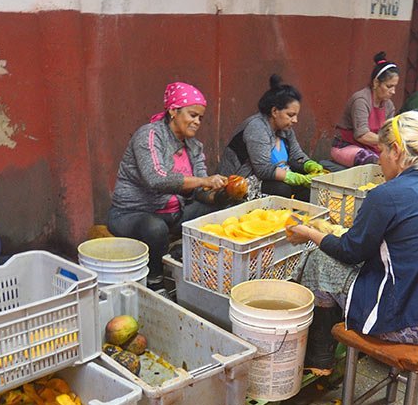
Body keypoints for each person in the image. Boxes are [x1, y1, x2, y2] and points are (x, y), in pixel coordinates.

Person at [286, 111, 418, 366]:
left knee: (319, 260)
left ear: (396, 151)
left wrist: (309, 233)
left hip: (413, 326)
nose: (380, 160)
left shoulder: (387, 195)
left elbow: (350, 252)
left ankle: (320, 357)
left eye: (382, 152)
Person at [108, 81, 232, 286]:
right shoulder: (149, 135)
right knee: (155, 229)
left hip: (174, 214)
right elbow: (156, 179)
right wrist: (204, 180)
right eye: (192, 115)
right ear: (173, 111)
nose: (197, 122)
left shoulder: (194, 146)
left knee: (221, 209)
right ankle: (155, 279)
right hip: (131, 214)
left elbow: (200, 191)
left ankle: (196, 268)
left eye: (200, 117)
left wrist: (222, 193)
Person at [219, 74, 324, 201]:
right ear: (274, 111)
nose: (295, 120)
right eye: (290, 115)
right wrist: (297, 178)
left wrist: (309, 165)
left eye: (296, 115)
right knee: (282, 189)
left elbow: (296, 155)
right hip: (243, 183)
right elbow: (263, 169)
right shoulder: (257, 127)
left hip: (272, 177)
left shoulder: (285, 130)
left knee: (310, 187)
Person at [329, 53, 400, 166]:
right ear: (376, 82)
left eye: (395, 87)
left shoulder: (389, 105)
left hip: (374, 148)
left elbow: (389, 132)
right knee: (373, 160)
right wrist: (388, 141)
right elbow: (362, 135)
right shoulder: (361, 100)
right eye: (389, 86)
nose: (393, 91)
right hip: (347, 147)